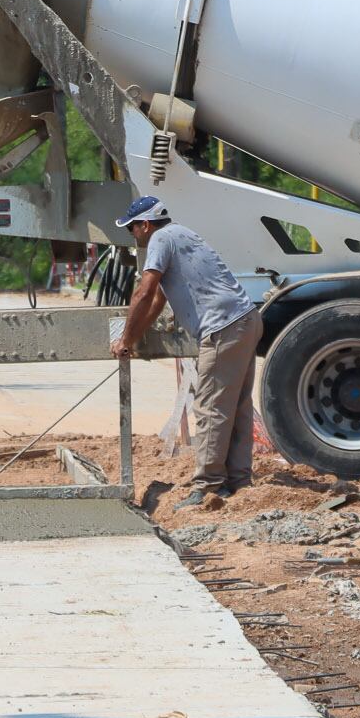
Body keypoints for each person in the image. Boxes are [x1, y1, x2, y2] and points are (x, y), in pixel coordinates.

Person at [108, 196, 263, 509]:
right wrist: (132, 338)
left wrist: (123, 339)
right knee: (236, 407)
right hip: (246, 320)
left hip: (223, 329)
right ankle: (239, 480)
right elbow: (158, 302)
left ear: (146, 224)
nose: (133, 236)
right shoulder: (182, 234)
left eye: (132, 229)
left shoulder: (160, 239)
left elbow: (144, 292)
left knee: (209, 408)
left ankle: (207, 488)